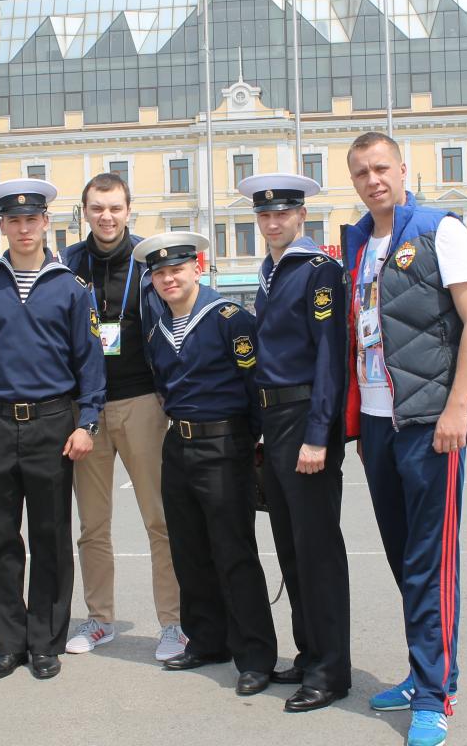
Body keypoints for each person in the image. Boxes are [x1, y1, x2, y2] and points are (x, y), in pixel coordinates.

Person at [344, 132, 467, 746]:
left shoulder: (440, 230)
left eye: (381, 168)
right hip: (378, 425)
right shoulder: (358, 239)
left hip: (431, 423)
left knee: (431, 564)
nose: (373, 180)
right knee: (404, 560)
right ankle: (423, 670)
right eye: (361, 172)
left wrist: (457, 408)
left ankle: (434, 696)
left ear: (403, 169)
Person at [0, 179, 106, 682]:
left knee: (50, 535)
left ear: (46, 223)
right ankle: (7, 642)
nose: (24, 228)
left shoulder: (71, 287)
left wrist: (87, 422)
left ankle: (45, 641)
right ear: (2, 226)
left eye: (32, 219)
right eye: (13, 221)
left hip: (52, 423)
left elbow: (90, 362)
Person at [136, 231, 278, 698]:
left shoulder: (229, 318)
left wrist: (249, 443)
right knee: (189, 550)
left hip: (224, 445)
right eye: (159, 272)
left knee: (233, 552)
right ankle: (207, 640)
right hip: (178, 446)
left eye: (176, 269)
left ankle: (255, 655)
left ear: (196, 267)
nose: (168, 278)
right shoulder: (157, 329)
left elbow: (256, 383)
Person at [237, 172, 351, 712]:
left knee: (317, 551)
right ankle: (309, 653)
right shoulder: (271, 270)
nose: (273, 222)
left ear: (302, 215)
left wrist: (318, 435)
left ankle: (331, 671)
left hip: (306, 420)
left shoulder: (318, 272)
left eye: (282, 213)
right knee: (290, 549)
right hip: (276, 423)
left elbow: (331, 354)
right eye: (264, 215)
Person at [60, 173, 184, 662]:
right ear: (85, 212)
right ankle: (99, 620)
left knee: (160, 520)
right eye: (97, 208)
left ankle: (173, 624)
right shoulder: (68, 263)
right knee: (93, 525)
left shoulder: (148, 259)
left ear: (128, 210)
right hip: (84, 408)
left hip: (141, 402)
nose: (106, 216)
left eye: (114, 208)